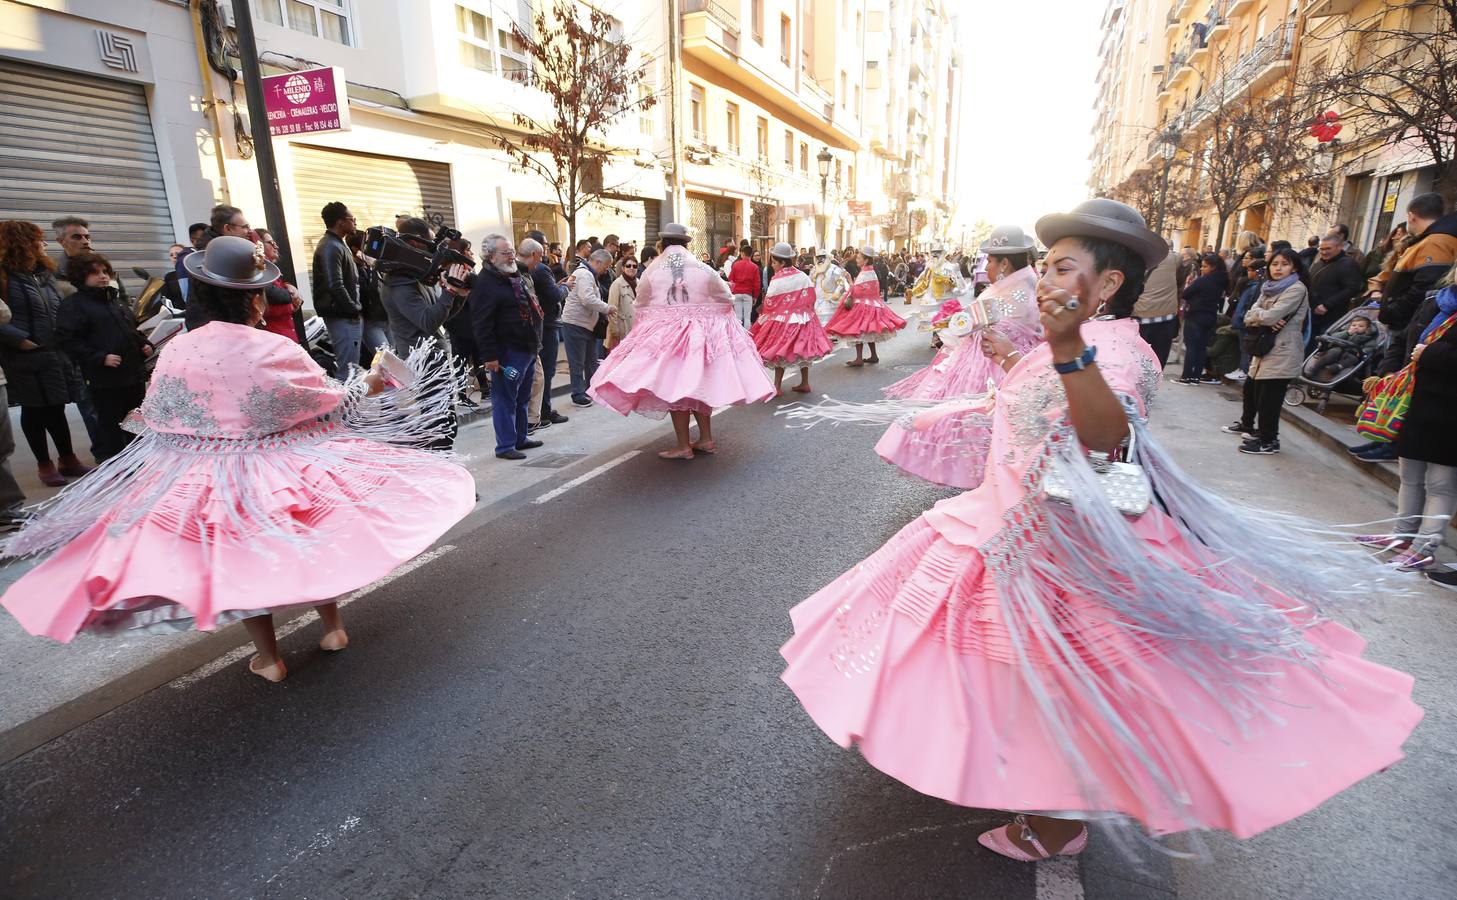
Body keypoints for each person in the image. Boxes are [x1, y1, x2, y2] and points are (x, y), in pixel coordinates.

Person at [779, 198, 1420, 863]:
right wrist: (1014, 362)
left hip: (1058, 550)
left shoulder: (1113, 353)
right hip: (1012, 527)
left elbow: (1107, 439)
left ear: (1109, 283)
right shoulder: (1088, 340)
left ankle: (1057, 822)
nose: (1047, 282)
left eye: (1061, 269)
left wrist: (1057, 349)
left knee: (1063, 686)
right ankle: (1030, 789)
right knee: (1019, 680)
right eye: (1047, 268)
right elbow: (1047, 410)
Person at [0, 236, 474, 683]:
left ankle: (268, 658)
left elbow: (162, 415)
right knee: (314, 545)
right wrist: (372, 383)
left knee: (243, 565)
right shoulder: (273, 347)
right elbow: (332, 404)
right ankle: (332, 627)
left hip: (209, 477)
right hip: (283, 469)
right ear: (256, 299)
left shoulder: (181, 347)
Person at [588, 223, 774, 459]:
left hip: (666, 339)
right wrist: (707, 313)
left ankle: (684, 445)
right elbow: (726, 296)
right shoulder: (702, 268)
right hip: (701, 337)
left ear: (663, 244)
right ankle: (705, 439)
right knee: (698, 386)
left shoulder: (654, 270)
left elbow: (641, 303)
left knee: (676, 389)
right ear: (686, 243)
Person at [0, 221, 91, 486]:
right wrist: (20, 340)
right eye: (38, 239)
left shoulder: (43, 272)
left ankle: (68, 458)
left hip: (52, 349)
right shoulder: (4, 275)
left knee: (57, 405)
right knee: (35, 409)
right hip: (24, 353)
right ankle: (44, 464)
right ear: (21, 242)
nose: (44, 244)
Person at [54, 253, 152, 461]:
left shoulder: (114, 300)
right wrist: (100, 358)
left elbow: (130, 330)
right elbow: (67, 341)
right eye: (95, 273)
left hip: (132, 375)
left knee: (136, 420)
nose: (102, 277)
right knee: (112, 424)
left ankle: (141, 460)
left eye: (105, 272)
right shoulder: (74, 305)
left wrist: (144, 344)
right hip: (104, 380)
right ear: (80, 277)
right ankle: (117, 464)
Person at [469, 234, 544, 461]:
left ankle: (520, 437)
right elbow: (482, 324)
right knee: (505, 400)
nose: (511, 256)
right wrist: (490, 356)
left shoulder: (512, 275)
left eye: (511, 251)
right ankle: (505, 446)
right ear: (491, 256)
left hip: (526, 347)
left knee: (522, 397)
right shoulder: (485, 283)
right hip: (506, 352)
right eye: (505, 252)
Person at [1233, 246, 1310, 455]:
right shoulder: (1269, 287)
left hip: (1283, 350)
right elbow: (1250, 315)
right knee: (1254, 392)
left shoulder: (1296, 289)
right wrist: (1261, 317)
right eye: (1275, 264)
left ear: (1294, 268)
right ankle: (1261, 433)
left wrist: (1260, 317)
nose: (1278, 268)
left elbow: (1269, 317)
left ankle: (1269, 441)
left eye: (1284, 264)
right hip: (1265, 348)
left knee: (1269, 399)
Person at [1377, 194, 1457, 376]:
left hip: (1408, 322)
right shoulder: (1429, 240)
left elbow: (1425, 286)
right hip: (1408, 323)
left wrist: (1395, 310)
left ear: (1411, 216)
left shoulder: (1436, 242)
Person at [750, 242, 833, 395]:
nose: (773, 265)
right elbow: (811, 296)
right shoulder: (802, 275)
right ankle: (805, 382)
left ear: (782, 262)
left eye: (774, 262)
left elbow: (770, 303)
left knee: (779, 351)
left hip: (782, 321)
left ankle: (777, 386)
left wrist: (764, 316)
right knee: (803, 351)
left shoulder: (777, 279)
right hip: (804, 319)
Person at [379, 218, 465, 359]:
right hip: (420, 365)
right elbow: (428, 322)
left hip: (434, 358)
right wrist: (450, 291)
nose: (434, 251)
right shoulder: (399, 282)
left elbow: (440, 316)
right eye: (431, 244)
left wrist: (459, 293)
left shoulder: (414, 276)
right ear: (415, 242)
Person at [825, 246, 907, 367]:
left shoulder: (864, 274)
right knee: (870, 332)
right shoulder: (871, 272)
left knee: (858, 331)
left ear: (866, 260)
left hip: (863, 307)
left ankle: (859, 358)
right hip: (873, 305)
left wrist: (849, 279)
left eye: (859, 258)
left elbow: (856, 292)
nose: (856, 260)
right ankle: (873, 355)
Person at [520, 236, 568, 428]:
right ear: (533, 254)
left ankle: (536, 417)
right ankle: (541, 414)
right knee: (543, 374)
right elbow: (553, 295)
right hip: (542, 329)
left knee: (540, 375)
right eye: (543, 251)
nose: (545, 255)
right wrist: (564, 287)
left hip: (538, 329)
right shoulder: (537, 269)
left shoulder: (530, 271)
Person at [310, 202, 362, 377]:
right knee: (348, 371)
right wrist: (352, 310)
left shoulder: (336, 243)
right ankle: (347, 404)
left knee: (351, 368)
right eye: (352, 219)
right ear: (341, 222)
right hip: (342, 315)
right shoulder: (331, 246)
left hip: (344, 314)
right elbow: (335, 284)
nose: (355, 222)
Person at [559, 248, 614, 407]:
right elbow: (587, 299)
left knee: (590, 359)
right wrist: (607, 308)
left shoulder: (588, 274)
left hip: (586, 325)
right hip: (575, 323)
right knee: (577, 362)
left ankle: (591, 389)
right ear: (597, 262)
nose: (606, 270)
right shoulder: (584, 274)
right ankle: (578, 393)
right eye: (605, 266)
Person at [1177, 252, 1229, 384]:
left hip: (1196, 315)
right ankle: (1196, 376)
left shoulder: (1203, 280)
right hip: (1210, 316)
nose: (1201, 268)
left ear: (1213, 267)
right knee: (1201, 348)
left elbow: (1187, 293)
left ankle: (1186, 376)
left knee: (1192, 347)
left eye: (1205, 266)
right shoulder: (1222, 280)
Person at [1307, 235, 1365, 350]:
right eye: (1321, 249)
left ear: (1339, 247)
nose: (1323, 252)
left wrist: (1327, 305)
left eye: (1328, 249)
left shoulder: (1348, 264)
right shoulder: (1319, 263)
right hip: (1312, 315)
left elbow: (1352, 289)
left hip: (1331, 316)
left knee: (1322, 348)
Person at [1132, 241, 1180, 368]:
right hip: (1167, 315)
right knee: (1158, 359)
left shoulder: (1138, 256)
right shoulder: (1173, 258)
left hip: (1141, 315)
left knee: (1138, 358)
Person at [253, 229, 304, 343]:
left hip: (286, 336)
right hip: (275, 338)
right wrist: (290, 305)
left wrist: (289, 287)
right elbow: (262, 307)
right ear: (259, 246)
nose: (276, 246)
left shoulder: (271, 271)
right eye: (271, 243)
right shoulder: (258, 272)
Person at [346, 231, 389, 365]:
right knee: (385, 358)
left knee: (394, 358)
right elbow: (363, 293)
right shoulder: (353, 269)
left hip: (387, 317)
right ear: (355, 248)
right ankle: (381, 384)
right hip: (370, 320)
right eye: (365, 244)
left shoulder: (374, 265)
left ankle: (390, 385)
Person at [1308, 313, 1378, 381]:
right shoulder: (1345, 332)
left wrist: (1363, 352)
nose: (1356, 327)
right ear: (1349, 326)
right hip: (1338, 349)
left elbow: (1371, 347)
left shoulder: (1368, 338)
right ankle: (1315, 367)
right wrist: (1347, 333)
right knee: (1331, 353)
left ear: (1367, 329)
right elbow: (1333, 337)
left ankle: (1338, 366)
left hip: (1353, 354)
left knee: (1353, 359)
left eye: (1361, 326)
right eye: (1353, 325)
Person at [605, 256, 638, 353]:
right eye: (628, 266)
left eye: (634, 266)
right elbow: (612, 308)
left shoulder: (640, 283)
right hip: (622, 328)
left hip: (636, 329)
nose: (631, 268)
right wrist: (615, 331)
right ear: (623, 268)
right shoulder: (617, 284)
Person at [728, 241, 761, 328]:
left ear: (742, 253)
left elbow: (731, 279)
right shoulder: (754, 267)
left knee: (738, 317)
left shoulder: (735, 265)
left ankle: (738, 336)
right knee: (747, 317)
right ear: (751, 254)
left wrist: (732, 291)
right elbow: (757, 283)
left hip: (737, 293)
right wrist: (755, 296)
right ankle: (747, 337)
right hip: (748, 294)